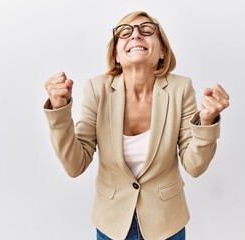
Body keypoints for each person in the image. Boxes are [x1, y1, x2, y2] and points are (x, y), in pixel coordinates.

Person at [43, 11, 229, 240]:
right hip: (112, 224)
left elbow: (194, 166)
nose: (136, 36)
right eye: (125, 32)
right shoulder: (97, 89)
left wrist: (207, 121)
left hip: (167, 224)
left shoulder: (180, 88)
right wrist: (58, 111)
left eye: (147, 30)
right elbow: (75, 165)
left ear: (162, 51)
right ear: (116, 55)